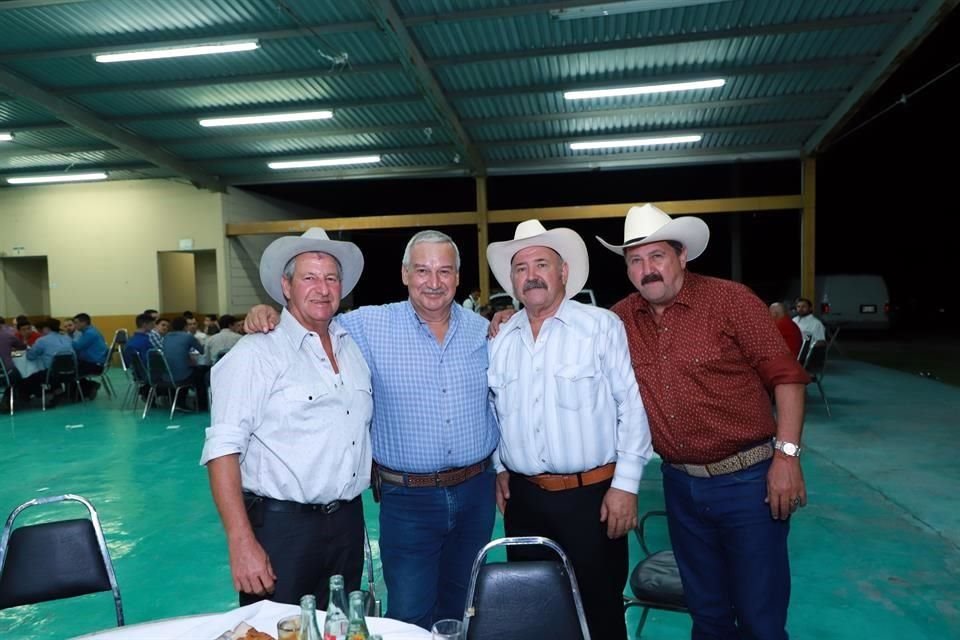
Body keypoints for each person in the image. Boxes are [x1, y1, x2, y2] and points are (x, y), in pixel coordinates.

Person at [246, 230, 497, 630]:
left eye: (444, 271)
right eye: (422, 270)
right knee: (410, 611)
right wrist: (267, 312)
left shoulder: (482, 330)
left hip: (475, 492)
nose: (433, 282)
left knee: (465, 604)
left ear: (458, 277)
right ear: (404, 274)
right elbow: (312, 316)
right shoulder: (365, 325)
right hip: (408, 499)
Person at [596, 203, 810, 640]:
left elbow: (787, 378)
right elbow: (569, 331)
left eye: (657, 256)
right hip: (680, 486)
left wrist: (786, 457)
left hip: (748, 482)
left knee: (760, 617)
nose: (647, 269)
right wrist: (508, 319)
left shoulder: (730, 301)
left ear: (682, 257)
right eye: (635, 260)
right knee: (707, 615)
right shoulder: (619, 319)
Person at [486, 220, 653, 640]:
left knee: (600, 611)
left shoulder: (600, 327)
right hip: (523, 502)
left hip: (592, 500)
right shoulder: (501, 338)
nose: (531, 275)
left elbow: (631, 407)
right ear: (512, 280)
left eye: (542, 264)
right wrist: (499, 468)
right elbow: (493, 410)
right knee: (534, 611)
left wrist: (626, 486)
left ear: (563, 272)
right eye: (521, 268)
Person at [200, 227, 373, 608]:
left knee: (339, 628)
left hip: (346, 524)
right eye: (309, 277)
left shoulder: (352, 349)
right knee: (278, 630)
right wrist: (240, 542)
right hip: (283, 530)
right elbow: (222, 451)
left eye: (331, 278)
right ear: (286, 285)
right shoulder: (256, 354)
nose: (322, 288)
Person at [72, 313, 108, 398]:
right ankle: (87, 389)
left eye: (76, 323)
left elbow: (77, 346)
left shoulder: (89, 334)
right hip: (95, 362)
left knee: (70, 371)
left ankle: (88, 388)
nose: (75, 325)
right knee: (73, 366)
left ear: (84, 322)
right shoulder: (92, 331)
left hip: (94, 364)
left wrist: (66, 339)